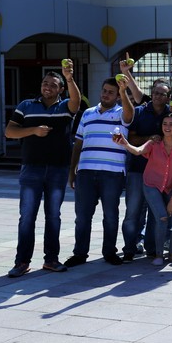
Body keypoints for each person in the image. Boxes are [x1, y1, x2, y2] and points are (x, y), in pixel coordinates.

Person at [6, 64, 81, 277]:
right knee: (27, 216)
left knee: (53, 216)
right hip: (31, 169)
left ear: (61, 90)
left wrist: (68, 77)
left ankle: (51, 260)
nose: (47, 87)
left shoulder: (66, 106)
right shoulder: (26, 105)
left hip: (57, 170)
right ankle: (22, 262)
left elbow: (76, 101)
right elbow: (10, 132)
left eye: (53, 85)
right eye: (45, 83)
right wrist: (33, 131)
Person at [64, 76, 135, 267]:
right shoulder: (87, 113)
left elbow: (130, 114)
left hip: (112, 174)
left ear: (118, 96)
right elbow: (78, 143)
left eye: (111, 92)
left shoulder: (122, 113)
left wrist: (123, 91)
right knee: (82, 216)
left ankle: (109, 252)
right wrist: (72, 170)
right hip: (86, 172)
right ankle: (80, 254)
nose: (106, 94)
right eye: (104, 90)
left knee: (110, 216)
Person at [114, 113, 172, 265]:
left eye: (171, 124)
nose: (167, 127)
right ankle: (158, 255)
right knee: (161, 218)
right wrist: (125, 144)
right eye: (165, 124)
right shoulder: (154, 143)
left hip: (170, 188)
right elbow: (138, 151)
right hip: (151, 185)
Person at [121, 76, 172, 261]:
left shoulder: (171, 115)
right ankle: (129, 248)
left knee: (156, 213)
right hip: (138, 169)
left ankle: (152, 247)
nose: (158, 96)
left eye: (163, 94)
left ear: (169, 97)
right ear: (151, 94)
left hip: (160, 173)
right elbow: (131, 139)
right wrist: (149, 138)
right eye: (156, 93)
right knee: (133, 211)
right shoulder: (139, 112)